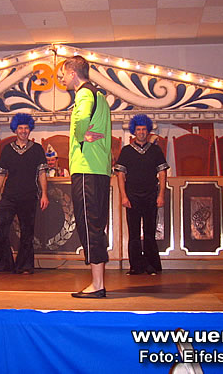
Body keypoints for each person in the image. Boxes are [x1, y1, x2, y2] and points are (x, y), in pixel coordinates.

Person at [62, 55, 111, 299]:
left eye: (63, 74)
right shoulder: (100, 96)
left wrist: (80, 135)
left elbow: (81, 119)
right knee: (96, 224)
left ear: (73, 73)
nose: (62, 78)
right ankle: (98, 281)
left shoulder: (83, 94)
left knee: (88, 224)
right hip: (100, 169)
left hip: (86, 168)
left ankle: (97, 284)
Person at [0, 113, 49, 274]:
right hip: (9, 196)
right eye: (20, 128)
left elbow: (42, 173)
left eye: (26, 128)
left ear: (30, 130)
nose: (23, 131)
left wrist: (44, 194)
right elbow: (1, 173)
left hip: (29, 196)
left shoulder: (37, 149)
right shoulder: (7, 149)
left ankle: (24, 266)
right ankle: (1, 264)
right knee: (1, 228)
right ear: (15, 130)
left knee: (27, 231)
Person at [115, 114, 169, 275]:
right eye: (138, 129)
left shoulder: (155, 150)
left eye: (144, 129)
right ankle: (136, 266)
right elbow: (120, 175)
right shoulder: (126, 151)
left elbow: (162, 173)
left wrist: (161, 195)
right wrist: (124, 196)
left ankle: (152, 265)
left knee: (150, 232)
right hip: (132, 197)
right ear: (134, 131)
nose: (141, 132)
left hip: (151, 195)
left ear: (148, 131)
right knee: (133, 233)